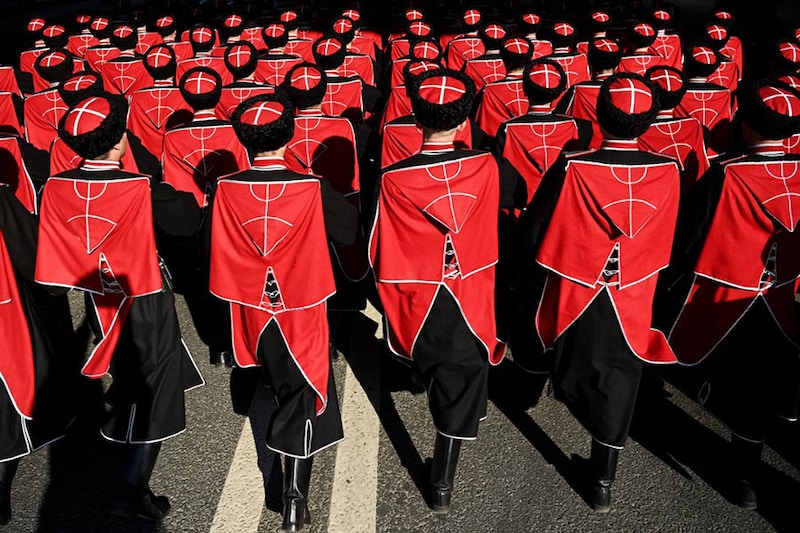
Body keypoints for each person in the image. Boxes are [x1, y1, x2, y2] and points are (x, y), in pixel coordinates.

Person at [34, 93, 204, 521]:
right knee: (157, 387)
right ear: (117, 142)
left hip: (97, 296)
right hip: (143, 296)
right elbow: (185, 219)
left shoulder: (55, 187)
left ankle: (125, 451)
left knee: (129, 374)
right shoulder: (138, 186)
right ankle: (133, 489)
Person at [524, 73, 681, 513]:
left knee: (569, 355)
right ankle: (603, 479)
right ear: (648, 122)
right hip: (634, 287)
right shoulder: (668, 169)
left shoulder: (574, 165)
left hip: (577, 284)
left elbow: (537, 227)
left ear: (597, 114)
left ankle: (543, 395)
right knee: (620, 377)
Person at [208, 92, 356, 531]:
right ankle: (294, 496)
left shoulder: (226, 187)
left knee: (274, 377)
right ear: (290, 133)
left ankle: (290, 482)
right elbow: (348, 231)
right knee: (304, 393)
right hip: (301, 305)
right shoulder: (310, 186)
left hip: (250, 304)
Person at [368, 68, 507, 513]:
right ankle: (443, 481)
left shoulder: (392, 177)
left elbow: (375, 245)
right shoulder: (486, 164)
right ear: (465, 121)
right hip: (468, 287)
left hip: (417, 292)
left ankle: (441, 474)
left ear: (416, 120)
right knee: (462, 377)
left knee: (423, 353)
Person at [668, 79, 800, 510]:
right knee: (766, 379)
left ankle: (742, 474)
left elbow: (693, 233)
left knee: (736, 379)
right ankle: (747, 463)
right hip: (783, 292)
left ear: (747, 126)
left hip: (728, 292)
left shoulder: (727, 171)